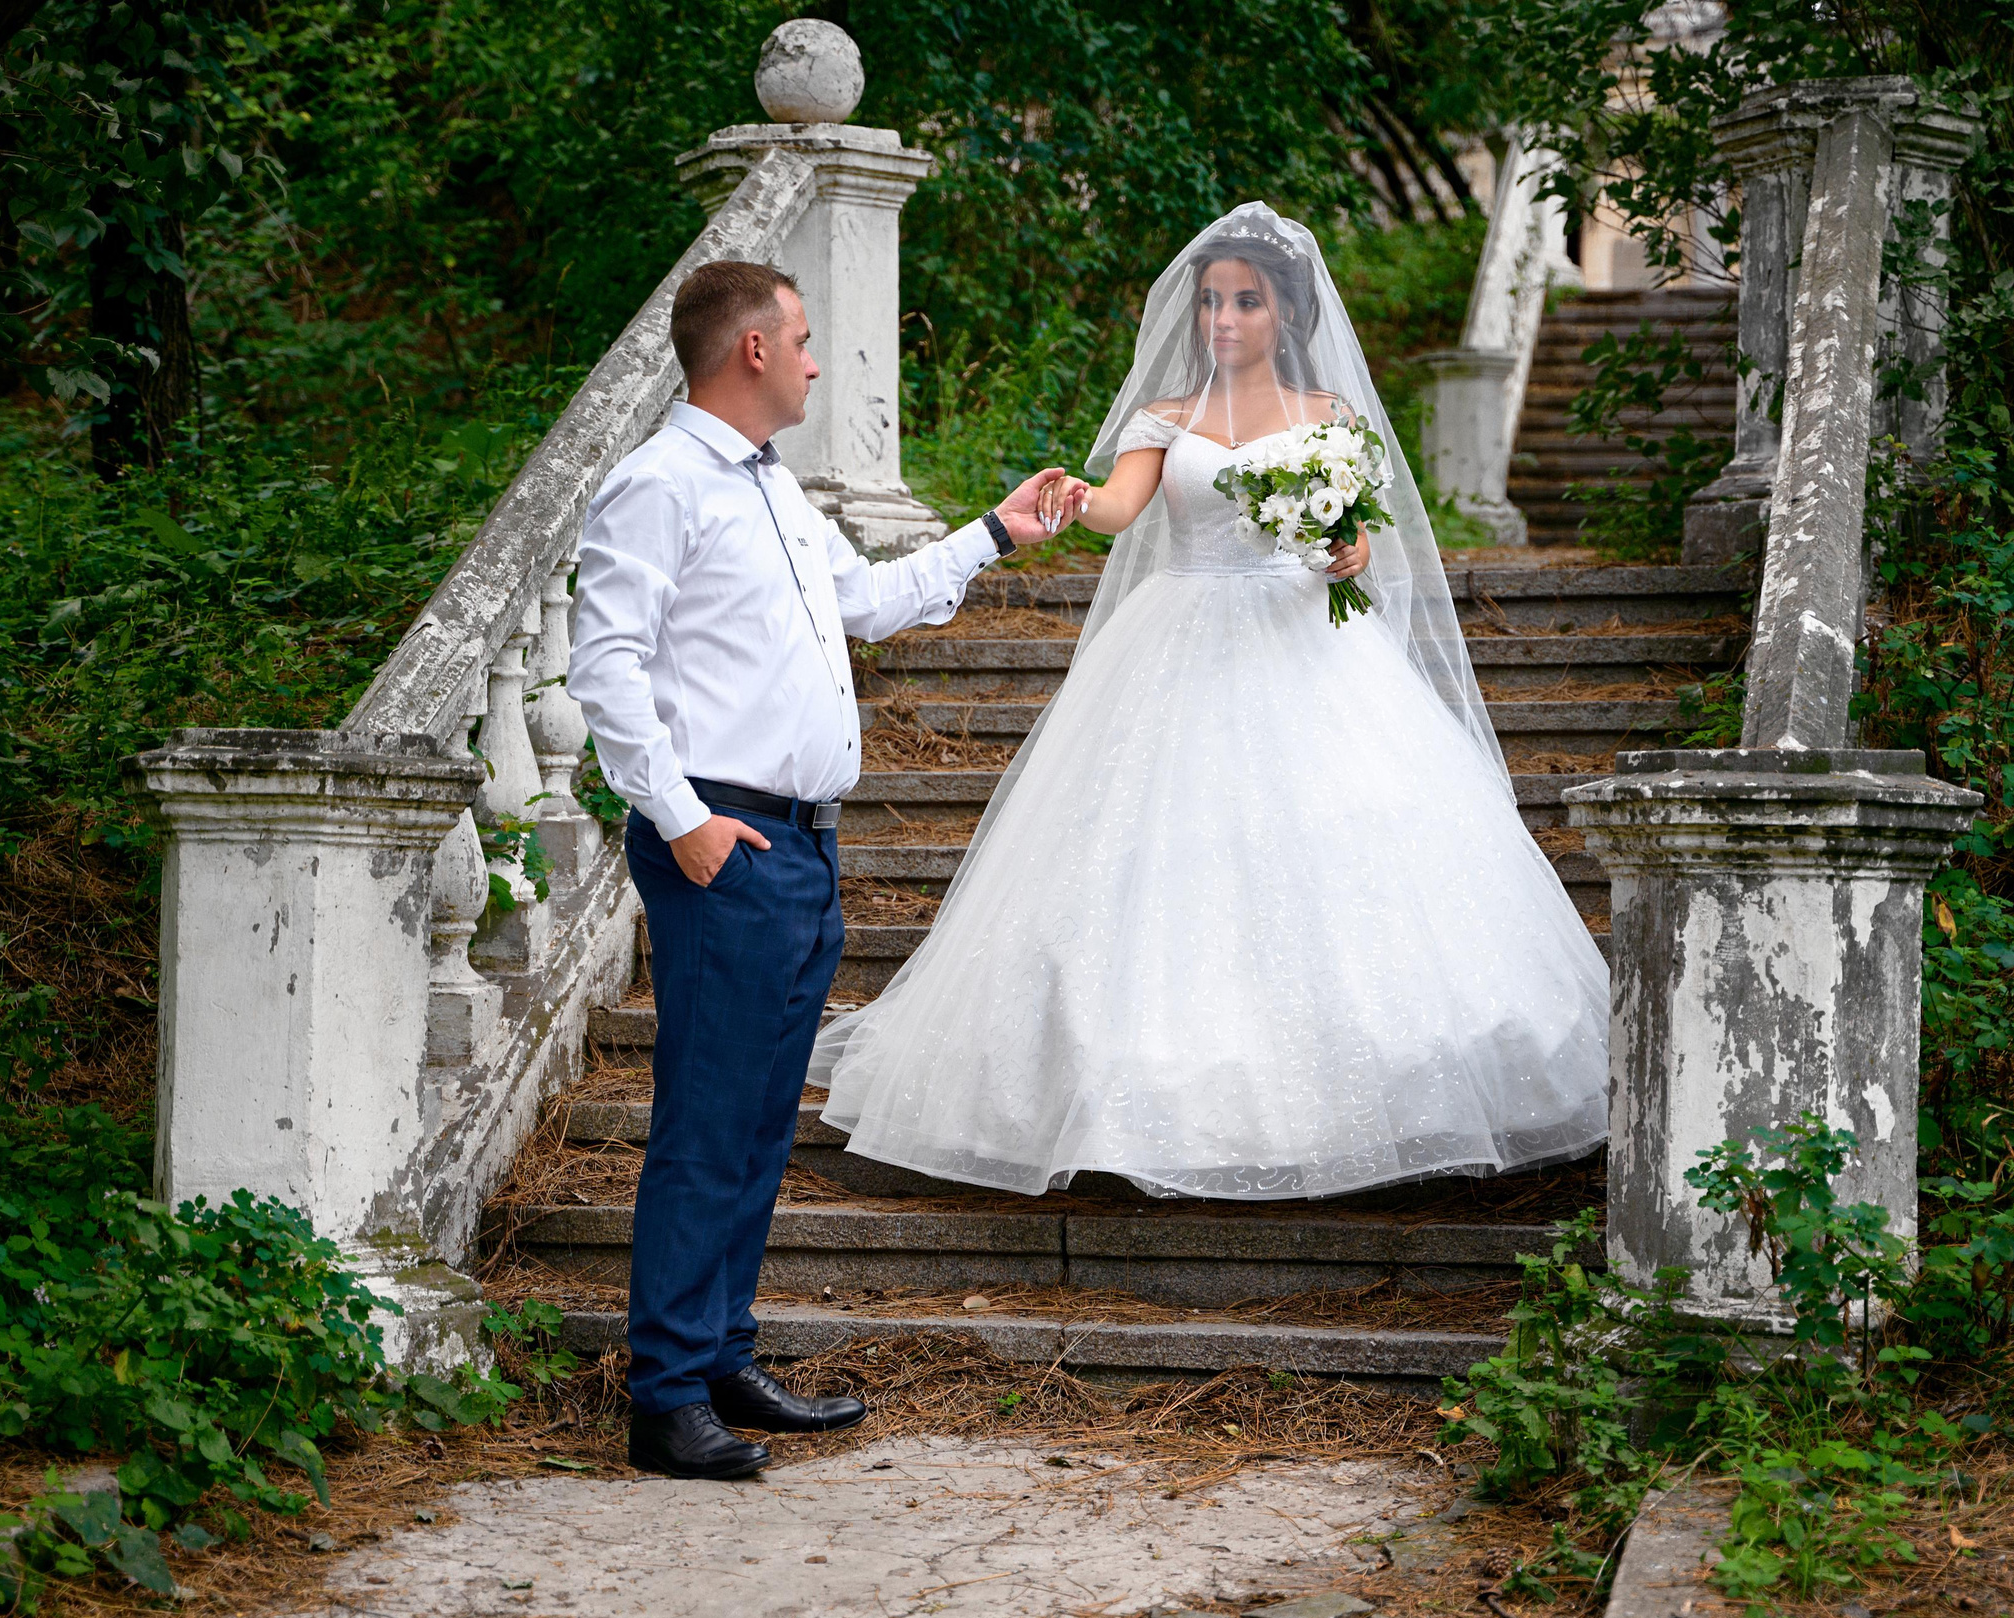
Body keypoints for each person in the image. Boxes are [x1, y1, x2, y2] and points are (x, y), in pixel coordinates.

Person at [808, 204, 1610, 1199]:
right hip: (1178, 633)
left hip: (1303, 644)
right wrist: (1067, 500)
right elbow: (1117, 509)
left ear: (1283, 312)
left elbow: (1357, 539)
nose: (1223, 319)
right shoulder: (1168, 419)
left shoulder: (1329, 417)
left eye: (1245, 301)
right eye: (1210, 301)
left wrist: (1345, 549)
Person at [566, 259, 1078, 1480]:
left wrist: (995, 531)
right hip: (724, 840)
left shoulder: (772, 490)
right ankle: (667, 1392)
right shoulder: (657, 485)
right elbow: (605, 665)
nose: (812, 355)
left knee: (753, 1123)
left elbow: (867, 600)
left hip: (800, 842)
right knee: (703, 1121)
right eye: (800, 336)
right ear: (748, 349)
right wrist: (682, 818)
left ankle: (722, 1353)